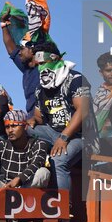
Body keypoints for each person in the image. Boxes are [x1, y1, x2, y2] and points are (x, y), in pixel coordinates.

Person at [28, 43, 90, 192]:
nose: (40, 68)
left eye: (43, 63)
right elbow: (39, 117)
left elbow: (83, 110)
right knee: (22, 129)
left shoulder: (75, 79)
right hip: (54, 132)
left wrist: (64, 137)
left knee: (58, 160)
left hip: (80, 136)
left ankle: (64, 209)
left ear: (55, 59)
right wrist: (33, 120)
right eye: (38, 64)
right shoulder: (40, 88)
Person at [0, 110, 50, 188]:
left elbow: (36, 164)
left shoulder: (39, 144)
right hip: (5, 189)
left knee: (43, 172)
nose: (10, 130)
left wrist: (19, 179)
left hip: (26, 188)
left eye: (14, 126)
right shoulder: (3, 145)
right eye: (7, 127)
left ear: (25, 126)